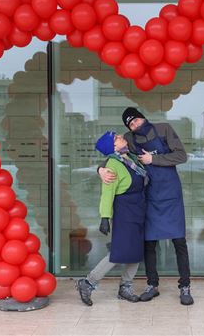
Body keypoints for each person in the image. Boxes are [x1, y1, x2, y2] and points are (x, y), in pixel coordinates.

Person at [98, 107, 194, 306]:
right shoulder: (129, 139)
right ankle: (152, 285)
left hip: (170, 196)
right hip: (149, 197)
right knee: (149, 244)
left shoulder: (164, 129)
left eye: (136, 121)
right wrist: (99, 169)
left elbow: (181, 156)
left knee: (179, 242)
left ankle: (185, 286)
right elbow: (113, 156)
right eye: (131, 125)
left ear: (143, 117)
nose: (135, 126)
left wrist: (154, 159)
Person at [76, 131, 147, 306]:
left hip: (138, 210)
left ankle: (125, 287)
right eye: (117, 138)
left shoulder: (130, 160)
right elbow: (107, 194)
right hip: (125, 212)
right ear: (113, 146)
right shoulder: (112, 166)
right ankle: (88, 282)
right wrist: (105, 217)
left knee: (136, 251)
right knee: (119, 252)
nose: (122, 137)